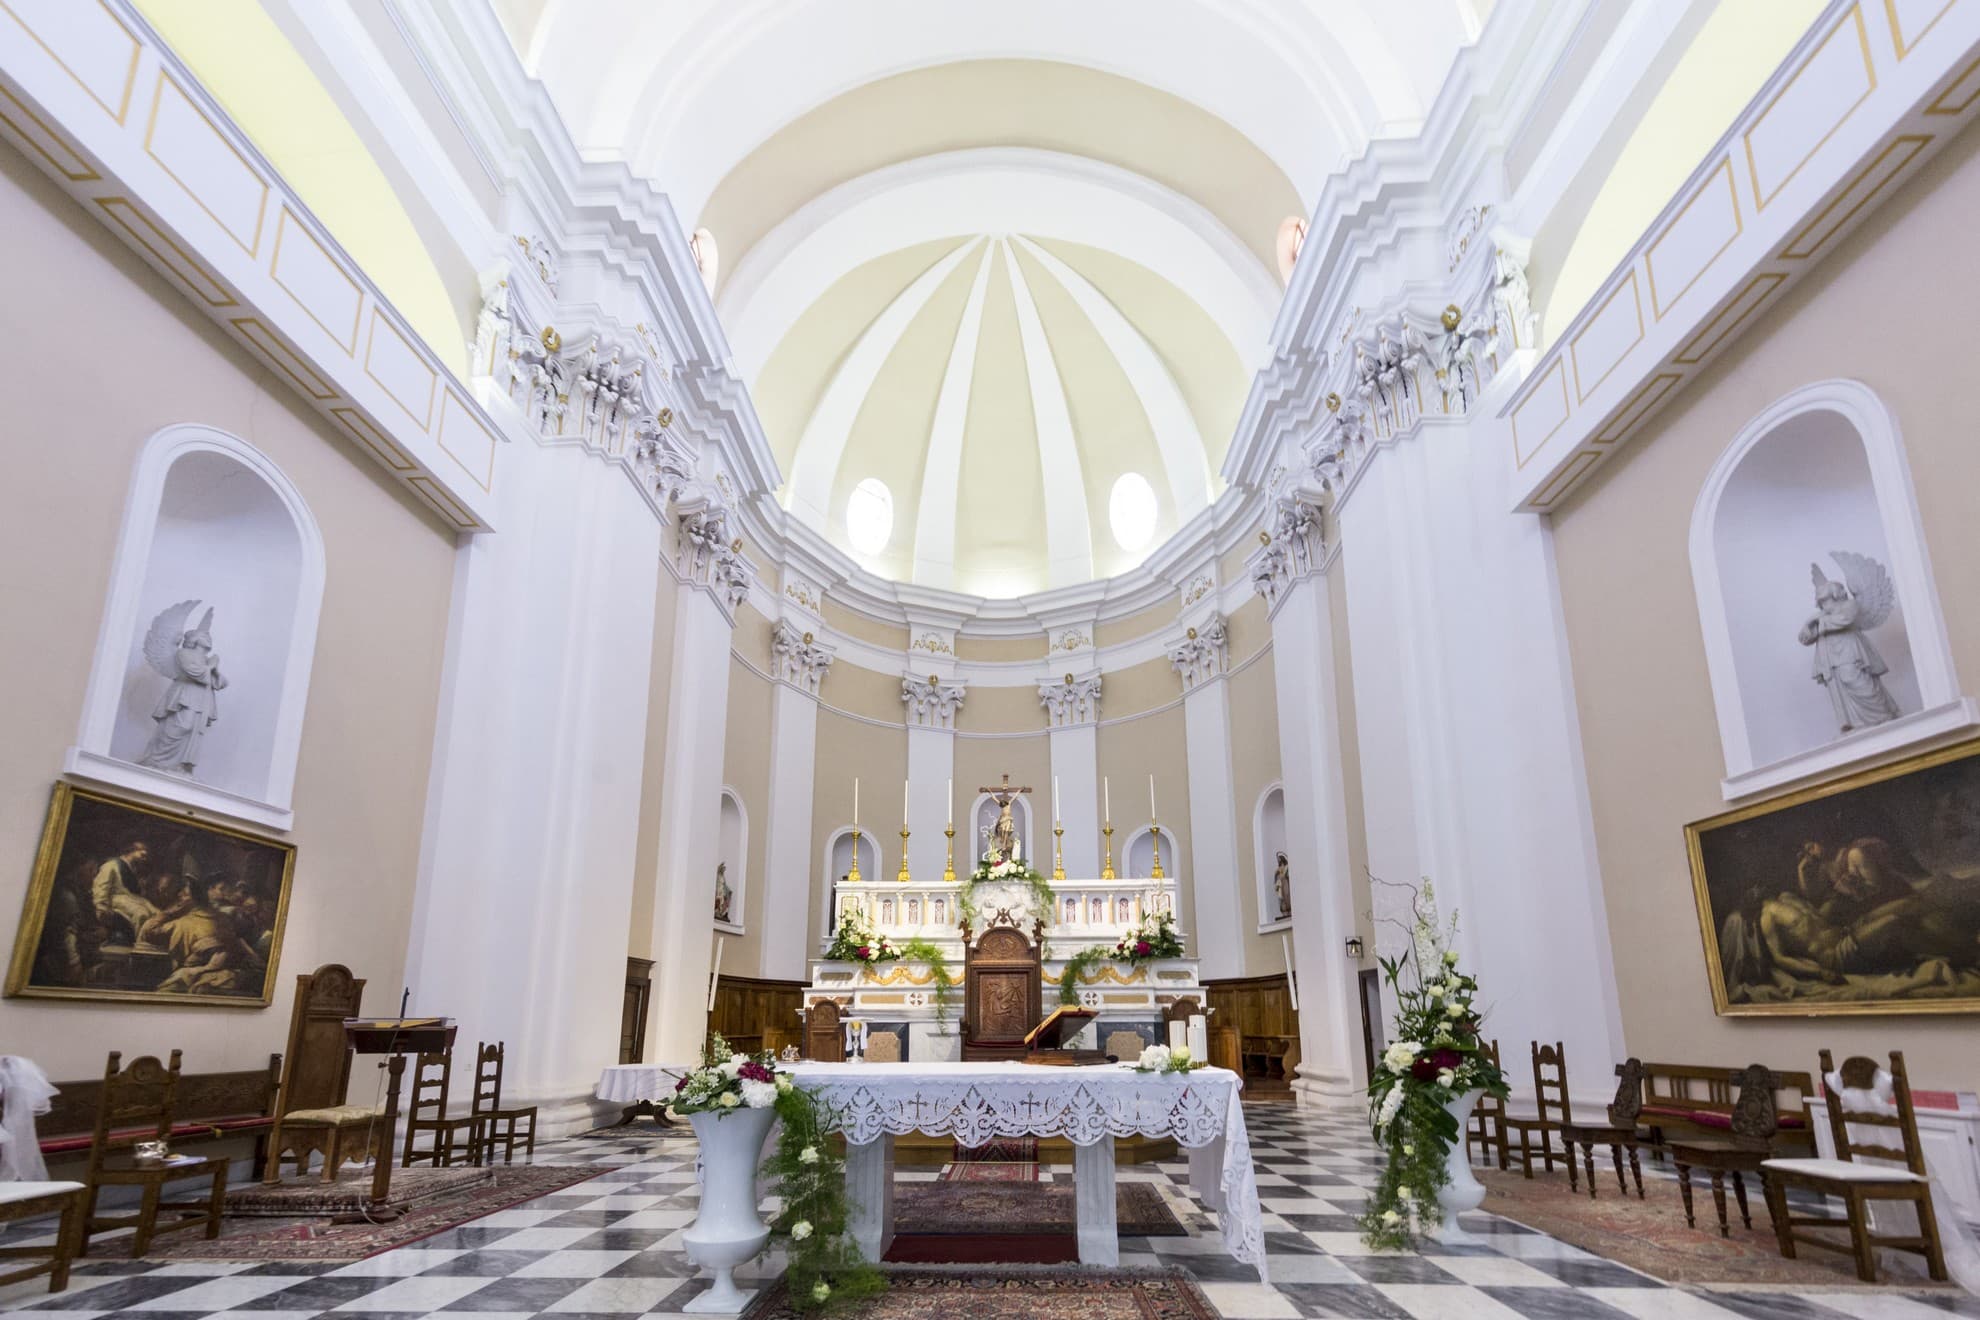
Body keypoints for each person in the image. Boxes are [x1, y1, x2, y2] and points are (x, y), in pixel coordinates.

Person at [89, 840, 157, 944]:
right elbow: (101, 887)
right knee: (141, 914)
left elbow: (134, 891)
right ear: (132, 851)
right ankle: (141, 946)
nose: (145, 859)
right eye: (142, 855)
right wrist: (101, 908)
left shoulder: (133, 868)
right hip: (116, 899)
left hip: (133, 899)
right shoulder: (111, 865)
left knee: (157, 914)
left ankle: (152, 944)